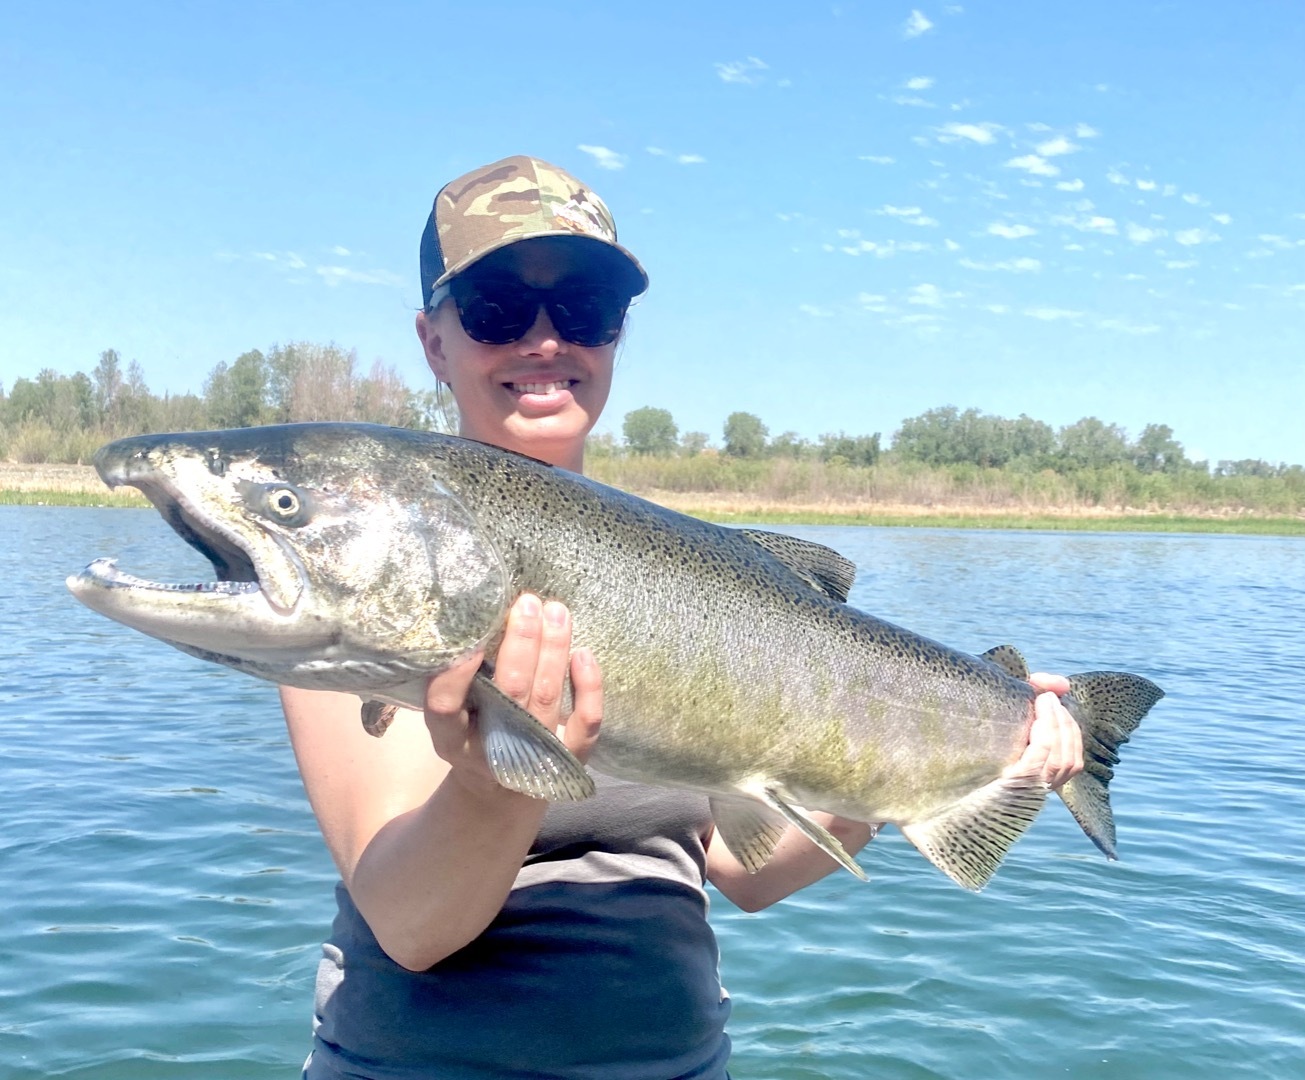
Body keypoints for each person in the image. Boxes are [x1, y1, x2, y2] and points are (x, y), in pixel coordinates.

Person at [282, 155, 1084, 1080]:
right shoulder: (364, 565)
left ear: (615, 336)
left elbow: (747, 873)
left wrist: (926, 775)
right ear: (433, 341)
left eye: (584, 308)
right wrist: (498, 782)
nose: (546, 340)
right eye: (500, 306)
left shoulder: (689, 577)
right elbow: (413, 929)